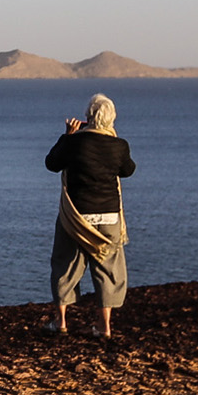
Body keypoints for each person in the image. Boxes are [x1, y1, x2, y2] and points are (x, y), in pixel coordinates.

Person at [41, 93, 136, 337]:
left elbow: (52, 163)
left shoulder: (73, 144)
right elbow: (128, 170)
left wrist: (67, 135)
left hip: (76, 217)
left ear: (88, 117)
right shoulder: (119, 145)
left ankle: (61, 322)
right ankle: (104, 327)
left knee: (65, 264)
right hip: (109, 217)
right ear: (112, 118)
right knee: (109, 269)